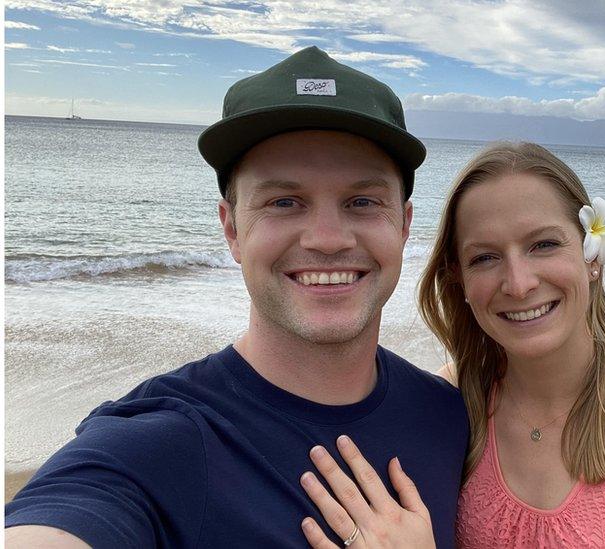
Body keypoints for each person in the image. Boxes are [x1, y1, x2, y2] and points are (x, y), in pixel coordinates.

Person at [5, 46, 468, 548]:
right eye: (284, 202)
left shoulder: (450, 417)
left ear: (403, 224)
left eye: (362, 201)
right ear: (232, 229)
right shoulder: (161, 445)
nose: (327, 238)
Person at [298, 142, 605, 548]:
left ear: (592, 257)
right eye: (484, 258)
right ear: (461, 281)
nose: (519, 284)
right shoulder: (447, 406)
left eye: (543, 245)